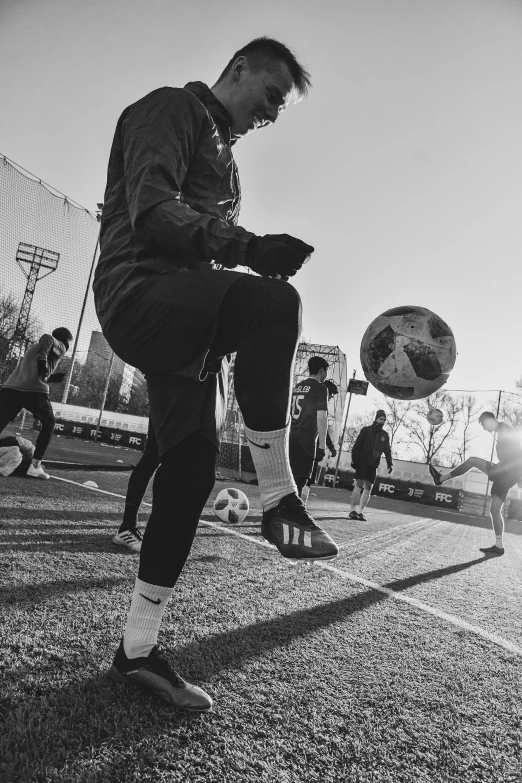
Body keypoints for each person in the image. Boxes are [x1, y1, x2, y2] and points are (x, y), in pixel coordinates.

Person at [93, 37, 339, 712]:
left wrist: (240, 260)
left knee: (192, 472)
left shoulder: (227, 165)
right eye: (271, 96)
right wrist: (250, 248)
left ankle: (137, 649)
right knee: (274, 301)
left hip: (189, 324)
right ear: (238, 69)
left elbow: (207, 254)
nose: (273, 113)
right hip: (140, 292)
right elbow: (152, 209)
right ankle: (277, 500)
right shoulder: (170, 109)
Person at [429, 411, 522, 556]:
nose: (484, 428)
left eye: (484, 424)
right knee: (494, 510)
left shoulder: (505, 430)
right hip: (506, 475)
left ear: (490, 420)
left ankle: (441, 479)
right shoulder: (501, 432)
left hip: (507, 471)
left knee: (473, 461)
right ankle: (499, 546)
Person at [0, 328, 73, 479]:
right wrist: (42, 364)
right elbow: (47, 338)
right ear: (64, 340)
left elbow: (34, 374)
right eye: (68, 343)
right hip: (32, 391)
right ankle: (35, 466)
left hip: (11, 388)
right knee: (49, 423)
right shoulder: (57, 345)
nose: (68, 347)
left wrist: (50, 377)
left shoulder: (34, 349)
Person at [113, 421, 159, 553]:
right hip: (171, 403)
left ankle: (156, 529)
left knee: (158, 457)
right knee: (154, 456)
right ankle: (127, 528)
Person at [289, 356, 330, 498]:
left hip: (291, 434)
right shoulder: (321, 388)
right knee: (301, 479)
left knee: (290, 476)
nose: (326, 375)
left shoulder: (298, 386)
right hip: (306, 437)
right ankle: (294, 513)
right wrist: (322, 445)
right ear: (321, 370)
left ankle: (282, 509)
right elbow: (321, 417)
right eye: (326, 371)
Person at [349, 410, 393, 521]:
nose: (382, 421)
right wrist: (354, 460)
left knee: (368, 487)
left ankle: (360, 511)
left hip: (373, 465)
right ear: (376, 418)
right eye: (380, 418)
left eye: (384, 419)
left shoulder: (385, 435)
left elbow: (387, 451)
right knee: (359, 484)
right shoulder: (366, 430)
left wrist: (390, 463)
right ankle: (352, 510)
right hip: (362, 462)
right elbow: (357, 446)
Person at [301, 378, 339, 505]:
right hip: (309, 445)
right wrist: (328, 447)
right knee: (306, 478)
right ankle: (300, 506)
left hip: (297, 441)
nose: (331, 398)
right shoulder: (318, 404)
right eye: (331, 395)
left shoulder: (307, 398)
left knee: (299, 477)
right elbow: (322, 427)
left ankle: (294, 505)